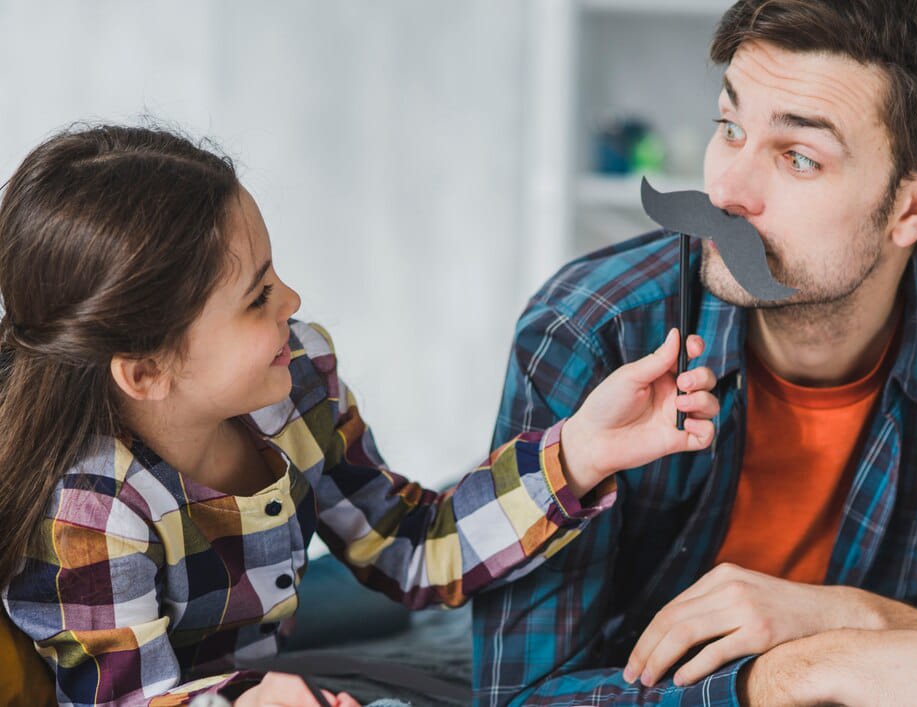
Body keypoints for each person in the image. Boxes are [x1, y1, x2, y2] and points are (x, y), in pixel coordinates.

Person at [0, 124, 720, 706]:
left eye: (274, 273)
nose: (293, 299)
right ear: (147, 371)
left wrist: (582, 451)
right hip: (223, 667)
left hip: (288, 618)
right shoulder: (88, 514)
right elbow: (126, 699)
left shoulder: (295, 379)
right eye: (258, 297)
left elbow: (411, 543)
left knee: (390, 620)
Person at [473, 1, 917, 705]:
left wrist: (857, 619)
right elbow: (518, 694)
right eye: (730, 127)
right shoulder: (591, 328)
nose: (723, 190)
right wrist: (782, 677)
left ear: (916, 204)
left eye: (798, 157)